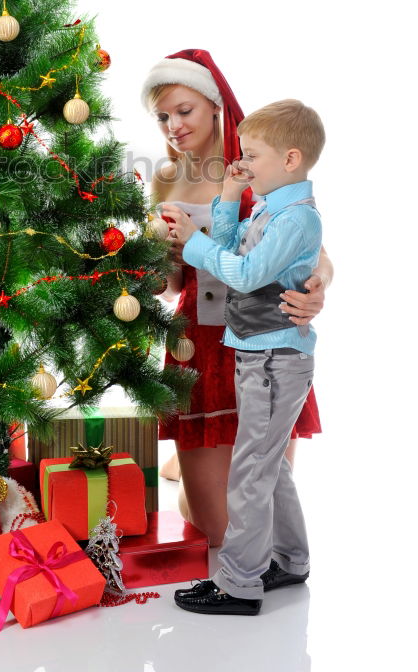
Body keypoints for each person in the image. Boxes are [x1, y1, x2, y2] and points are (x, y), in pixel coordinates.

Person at [141, 50, 332, 545]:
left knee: (261, 520)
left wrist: (317, 289)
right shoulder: (163, 176)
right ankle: (190, 484)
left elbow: (316, 249)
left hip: (266, 338)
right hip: (196, 343)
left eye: (184, 111)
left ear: (212, 105)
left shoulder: (254, 162)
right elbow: (171, 287)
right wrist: (148, 259)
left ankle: (192, 478)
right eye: (162, 117)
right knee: (221, 533)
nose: (173, 126)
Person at [163, 98, 325, 614]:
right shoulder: (269, 207)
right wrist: (229, 197)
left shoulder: (296, 219)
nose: (244, 162)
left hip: (275, 358)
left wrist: (192, 241)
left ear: (291, 160)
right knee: (269, 464)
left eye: (252, 155)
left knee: (250, 469)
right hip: (259, 354)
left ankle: (238, 583)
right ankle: (291, 561)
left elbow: (245, 275)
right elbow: (232, 247)